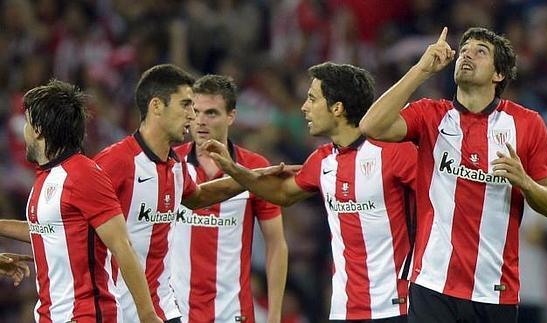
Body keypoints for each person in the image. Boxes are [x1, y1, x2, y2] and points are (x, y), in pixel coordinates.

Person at [359, 27, 547, 322]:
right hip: (431, 282)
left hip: (494, 289)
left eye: (481, 51)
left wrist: (525, 183)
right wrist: (421, 70)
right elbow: (371, 126)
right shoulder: (430, 115)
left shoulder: (527, 124)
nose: (467, 54)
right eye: (464, 49)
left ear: (499, 75)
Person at [203, 62, 418, 322]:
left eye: (312, 99)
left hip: (397, 308)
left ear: (337, 108)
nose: (304, 107)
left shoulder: (396, 152)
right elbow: (283, 194)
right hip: (343, 310)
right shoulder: (322, 160)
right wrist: (235, 170)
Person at [93, 64, 291, 323]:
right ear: (156, 106)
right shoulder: (119, 161)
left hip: (187, 310)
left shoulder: (175, 167)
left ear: (231, 116)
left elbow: (197, 197)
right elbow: (73, 221)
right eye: (188, 107)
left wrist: (253, 177)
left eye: (207, 112)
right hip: (134, 308)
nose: (195, 118)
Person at [0, 80, 162, 323]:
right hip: (52, 316)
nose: (23, 131)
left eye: (27, 123)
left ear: (39, 130)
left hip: (84, 316)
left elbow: (122, 245)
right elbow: (51, 230)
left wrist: (148, 315)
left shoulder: (83, 175)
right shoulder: (47, 176)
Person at [171, 74, 288, 323]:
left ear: (231, 116)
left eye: (211, 113)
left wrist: (275, 315)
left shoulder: (254, 167)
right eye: (195, 111)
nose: (200, 121)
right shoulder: (170, 164)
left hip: (234, 313)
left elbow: (276, 244)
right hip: (176, 312)